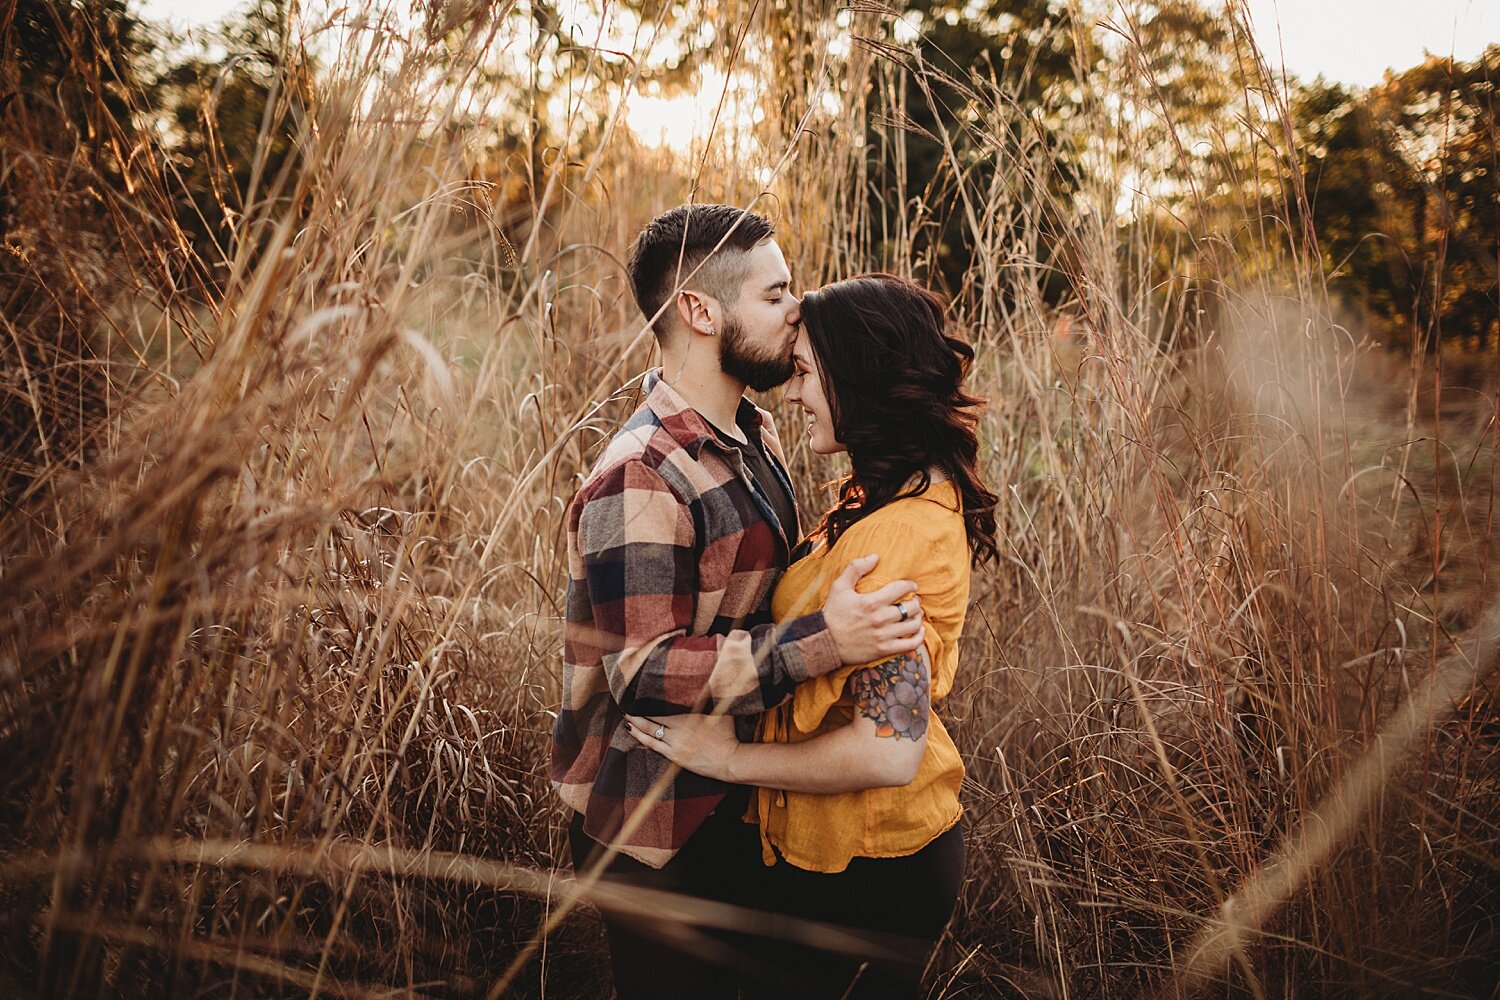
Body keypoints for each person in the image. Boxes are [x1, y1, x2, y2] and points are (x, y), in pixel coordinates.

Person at [550, 206, 928, 999]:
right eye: (776, 293)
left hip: (737, 795)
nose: (800, 308)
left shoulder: (755, 431)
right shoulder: (642, 473)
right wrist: (827, 642)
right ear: (699, 310)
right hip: (659, 820)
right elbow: (641, 672)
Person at [628, 272, 999, 998]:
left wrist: (729, 762)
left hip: (873, 866)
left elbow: (888, 751)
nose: (790, 394)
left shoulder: (900, 534)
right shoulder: (886, 491)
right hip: (838, 851)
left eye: (803, 374)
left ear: (858, 376)